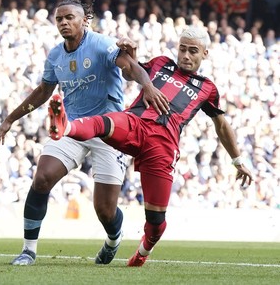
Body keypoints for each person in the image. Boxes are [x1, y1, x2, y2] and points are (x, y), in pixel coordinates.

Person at [47, 25, 253, 267]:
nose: (185, 55)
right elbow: (129, 73)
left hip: (163, 145)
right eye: (183, 49)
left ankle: (142, 252)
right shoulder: (161, 63)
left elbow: (221, 125)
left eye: (193, 51)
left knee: (155, 221)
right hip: (135, 122)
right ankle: (65, 127)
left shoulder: (207, 88)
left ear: (204, 54)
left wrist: (238, 161)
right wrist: (129, 54)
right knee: (105, 122)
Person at [0, 0, 169, 266]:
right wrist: (10, 119)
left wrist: (147, 85)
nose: (64, 22)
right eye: (59, 19)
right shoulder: (55, 56)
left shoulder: (101, 44)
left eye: (69, 18)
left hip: (110, 130)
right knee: (42, 178)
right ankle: (28, 250)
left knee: (105, 210)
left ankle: (113, 239)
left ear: (84, 20)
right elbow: (43, 91)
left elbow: (131, 67)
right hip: (72, 127)